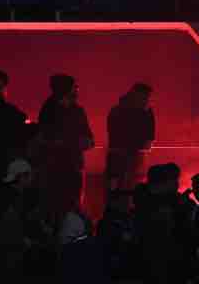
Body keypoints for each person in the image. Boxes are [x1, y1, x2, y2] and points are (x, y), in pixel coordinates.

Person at [37, 74, 94, 216]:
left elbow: (89, 137)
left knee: (74, 205)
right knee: (58, 207)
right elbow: (49, 139)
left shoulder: (77, 110)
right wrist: (75, 143)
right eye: (75, 87)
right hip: (57, 169)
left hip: (74, 167)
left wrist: (87, 141)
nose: (77, 90)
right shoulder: (48, 111)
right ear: (66, 89)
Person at [106, 83, 155, 198]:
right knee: (121, 190)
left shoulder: (145, 111)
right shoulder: (119, 111)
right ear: (136, 96)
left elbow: (150, 134)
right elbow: (116, 136)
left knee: (128, 188)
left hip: (132, 158)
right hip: (121, 158)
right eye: (145, 97)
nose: (147, 100)